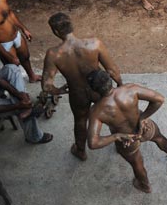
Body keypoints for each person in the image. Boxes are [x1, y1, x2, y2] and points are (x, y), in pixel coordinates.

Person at [41, 12, 122, 161]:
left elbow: (46, 86)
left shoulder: (53, 54)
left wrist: (58, 90)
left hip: (77, 93)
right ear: (72, 26)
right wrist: (120, 86)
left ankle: (80, 150)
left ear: (56, 32)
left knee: (80, 121)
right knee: (111, 113)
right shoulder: (94, 43)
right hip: (99, 88)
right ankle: (120, 143)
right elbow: (112, 71)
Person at [86, 70, 167, 193]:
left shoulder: (96, 111)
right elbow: (159, 99)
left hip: (127, 140)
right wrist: (143, 118)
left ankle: (145, 185)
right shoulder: (130, 89)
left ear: (94, 89)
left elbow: (93, 143)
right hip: (144, 127)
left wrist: (116, 136)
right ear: (110, 78)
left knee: (137, 163)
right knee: (159, 138)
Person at [0, 59, 52, 144]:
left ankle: (27, 107)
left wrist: (19, 94)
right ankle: (34, 137)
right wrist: (17, 105)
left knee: (11, 68)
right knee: (21, 107)